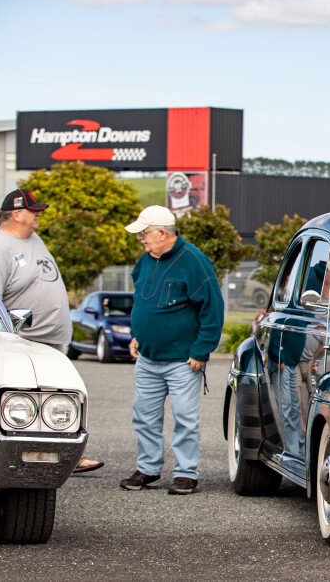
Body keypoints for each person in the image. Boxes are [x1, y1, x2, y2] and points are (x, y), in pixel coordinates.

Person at [0, 189, 104, 474]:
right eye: (33, 210)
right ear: (16, 214)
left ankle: (65, 454)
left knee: (62, 403)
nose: (38, 215)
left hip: (51, 338)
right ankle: (33, 458)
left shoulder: (33, 239)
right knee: (27, 408)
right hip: (26, 341)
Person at [121, 205, 224, 495]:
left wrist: (201, 351)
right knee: (144, 417)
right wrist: (136, 335)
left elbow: (213, 309)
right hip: (148, 358)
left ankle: (185, 473)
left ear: (162, 233)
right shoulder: (145, 260)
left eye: (144, 233)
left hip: (183, 361)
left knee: (185, 420)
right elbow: (142, 300)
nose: (140, 238)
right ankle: (148, 469)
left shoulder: (193, 260)